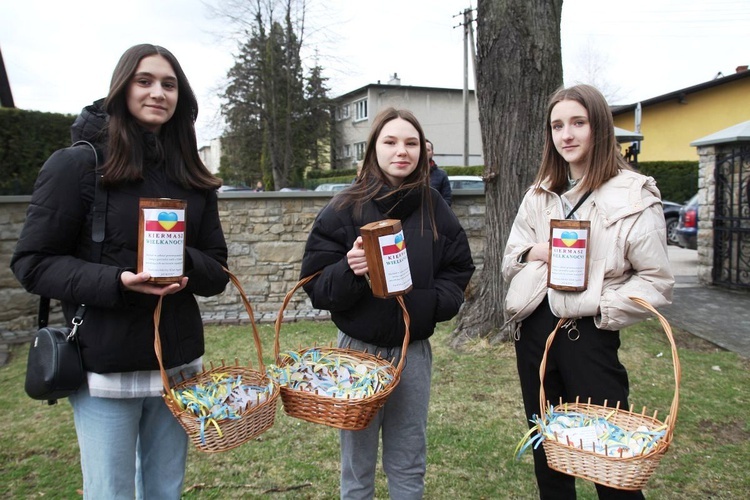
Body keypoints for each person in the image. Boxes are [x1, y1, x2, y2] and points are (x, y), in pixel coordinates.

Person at [10, 44, 229, 500]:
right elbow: (33, 263)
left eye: (169, 85)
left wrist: (183, 261)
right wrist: (116, 282)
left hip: (177, 365)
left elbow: (217, 272)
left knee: (164, 490)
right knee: (110, 492)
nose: (157, 93)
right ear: (121, 88)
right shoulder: (78, 165)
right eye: (144, 81)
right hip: (105, 367)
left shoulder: (191, 176)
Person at [501, 84, 674, 500]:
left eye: (578, 122)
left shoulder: (633, 196)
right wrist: (538, 250)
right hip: (533, 336)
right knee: (550, 458)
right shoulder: (540, 193)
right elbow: (511, 259)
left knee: (608, 459)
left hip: (588, 338)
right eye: (557, 125)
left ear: (599, 127)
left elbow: (656, 280)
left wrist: (600, 308)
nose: (567, 135)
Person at [300, 108, 475, 499]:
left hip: (411, 354)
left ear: (423, 152)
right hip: (356, 356)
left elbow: (459, 270)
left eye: (411, 143)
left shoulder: (435, 207)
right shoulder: (343, 207)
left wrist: (424, 306)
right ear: (373, 148)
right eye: (391, 142)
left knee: (408, 460)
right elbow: (314, 285)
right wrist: (349, 268)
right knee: (356, 465)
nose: (402, 151)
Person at [426, 139, 452, 206]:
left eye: (427, 150)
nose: (424, 152)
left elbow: (447, 199)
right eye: (422, 150)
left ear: (432, 153)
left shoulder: (441, 174)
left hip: (434, 214)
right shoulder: (410, 172)